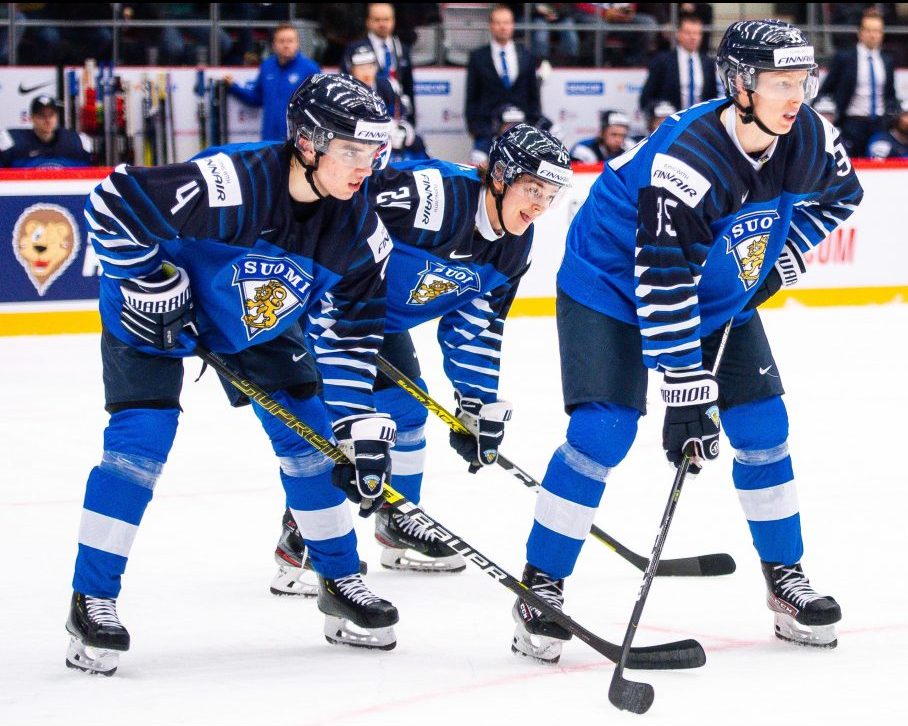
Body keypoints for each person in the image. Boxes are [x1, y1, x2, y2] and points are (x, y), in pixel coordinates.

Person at [509, 19, 862, 665]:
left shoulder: (806, 133)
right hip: (609, 286)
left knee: (763, 425)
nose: (794, 96)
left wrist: (780, 257)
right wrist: (686, 396)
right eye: (779, 82)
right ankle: (541, 587)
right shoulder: (687, 160)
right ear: (739, 84)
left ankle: (784, 580)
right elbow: (662, 282)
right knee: (602, 433)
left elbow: (842, 198)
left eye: (801, 81)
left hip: (714, 287)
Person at [65, 74, 401, 676]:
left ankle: (339, 578)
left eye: (373, 152)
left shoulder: (359, 231)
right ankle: (92, 598)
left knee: (312, 440)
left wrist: (357, 425)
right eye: (351, 150)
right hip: (151, 312)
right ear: (307, 141)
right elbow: (112, 201)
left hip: (254, 317)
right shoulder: (231, 182)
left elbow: (351, 338)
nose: (363, 166)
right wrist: (149, 279)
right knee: (139, 446)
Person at [270, 124, 573, 590]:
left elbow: (478, 323)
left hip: (376, 318)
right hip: (315, 303)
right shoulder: (433, 196)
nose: (539, 205)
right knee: (322, 427)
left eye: (549, 195)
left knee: (408, 411)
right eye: (533, 188)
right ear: (500, 175)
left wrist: (476, 401)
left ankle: (398, 521)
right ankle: (301, 541)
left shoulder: (515, 245)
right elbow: (338, 198)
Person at [465, 5, 542, 165]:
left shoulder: (527, 55)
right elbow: (471, 95)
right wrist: (474, 127)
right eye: (498, 22)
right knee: (479, 169)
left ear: (513, 24)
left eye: (506, 22)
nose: (502, 27)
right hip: (487, 128)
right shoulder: (477, 57)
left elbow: (533, 93)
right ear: (491, 26)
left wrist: (534, 123)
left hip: (523, 128)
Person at [818, 9, 897, 158]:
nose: (873, 35)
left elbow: (890, 93)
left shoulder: (887, 60)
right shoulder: (845, 58)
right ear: (860, 32)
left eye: (877, 31)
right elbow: (827, 89)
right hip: (852, 123)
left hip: (879, 123)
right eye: (869, 30)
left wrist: (891, 113)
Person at [225, 23, 320, 142]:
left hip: (297, 142)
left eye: (290, 41)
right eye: (281, 41)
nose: (286, 45)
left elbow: (318, 106)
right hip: (269, 140)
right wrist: (234, 87)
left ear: (297, 44)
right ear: (274, 45)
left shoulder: (310, 69)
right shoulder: (266, 67)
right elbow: (257, 98)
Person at [638, 14, 717, 114]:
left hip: (699, 122)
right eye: (688, 33)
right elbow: (646, 98)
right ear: (678, 34)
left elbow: (712, 97)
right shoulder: (662, 61)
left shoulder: (708, 63)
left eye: (697, 33)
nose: (693, 37)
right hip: (671, 121)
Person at [354, 3, 417, 126]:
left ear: (393, 21)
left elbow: (408, 87)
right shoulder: (356, 49)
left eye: (386, 19)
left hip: (397, 118)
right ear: (368, 21)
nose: (382, 24)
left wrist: (411, 122)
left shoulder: (403, 49)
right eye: (377, 20)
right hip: (365, 120)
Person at [0, 95, 92, 168]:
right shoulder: (13, 143)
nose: (47, 120)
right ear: (32, 118)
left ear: (56, 117)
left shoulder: (75, 143)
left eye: (51, 115)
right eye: (42, 115)